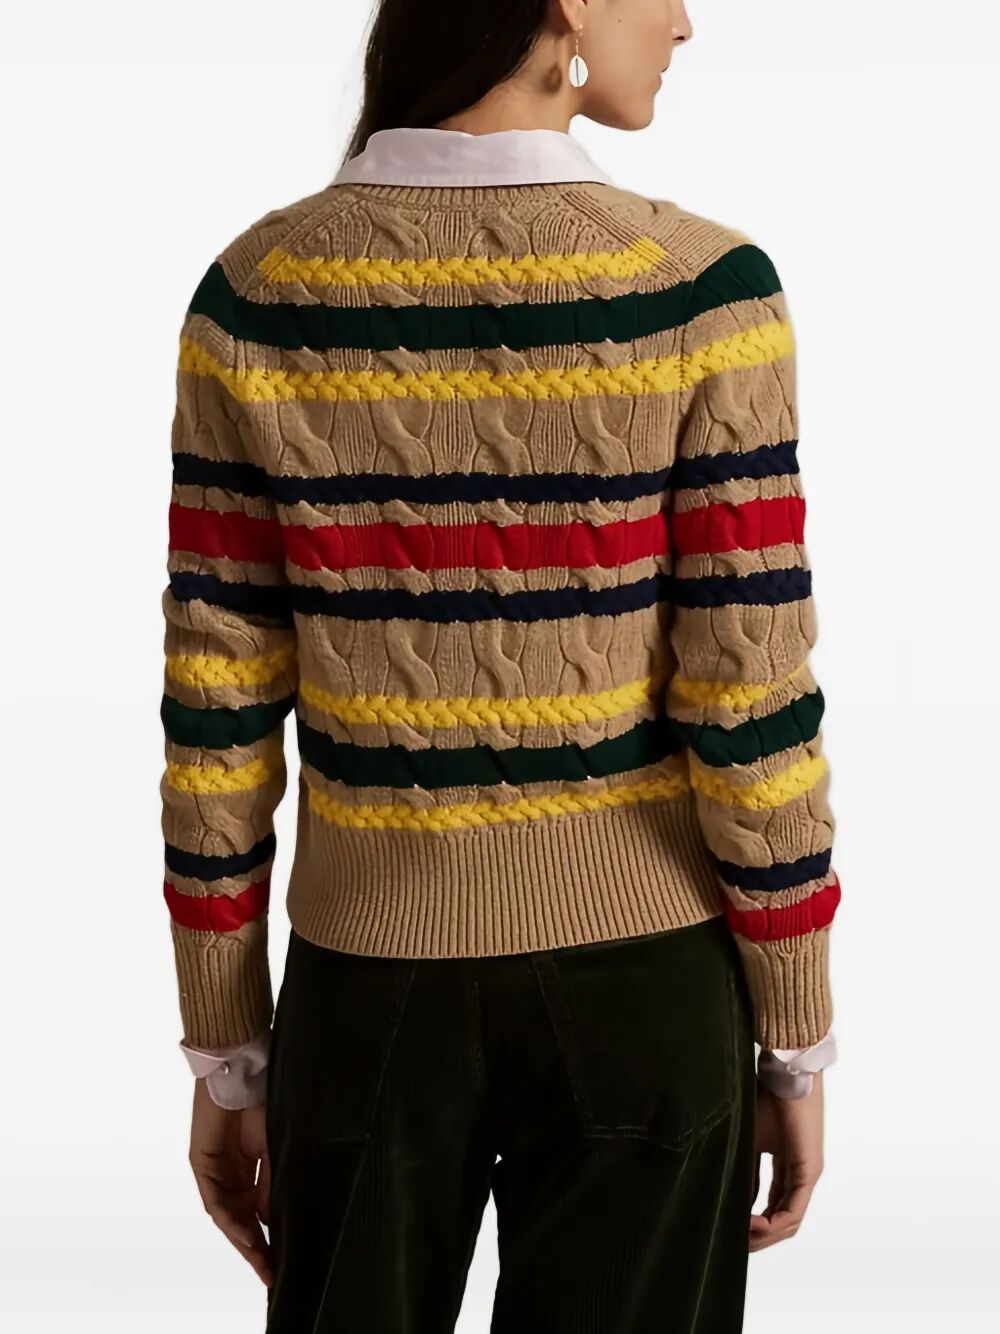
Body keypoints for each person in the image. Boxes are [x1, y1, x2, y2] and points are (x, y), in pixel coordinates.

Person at [160, 1, 841, 1328]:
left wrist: (227, 1046)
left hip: (364, 988)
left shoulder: (255, 290)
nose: (685, 21)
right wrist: (795, 1033)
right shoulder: (704, 290)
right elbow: (751, 694)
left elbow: (215, 709)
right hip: (646, 980)